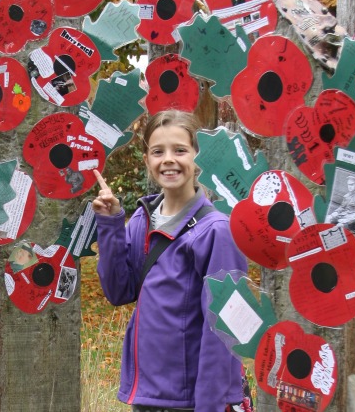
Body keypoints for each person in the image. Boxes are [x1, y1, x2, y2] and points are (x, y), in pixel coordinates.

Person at [92, 110, 248, 411]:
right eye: (157, 151)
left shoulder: (216, 231)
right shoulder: (142, 220)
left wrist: (210, 406)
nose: (168, 159)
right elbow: (118, 291)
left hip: (190, 401)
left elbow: (224, 329)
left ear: (197, 156)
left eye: (180, 150)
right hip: (148, 395)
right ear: (147, 160)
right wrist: (111, 224)